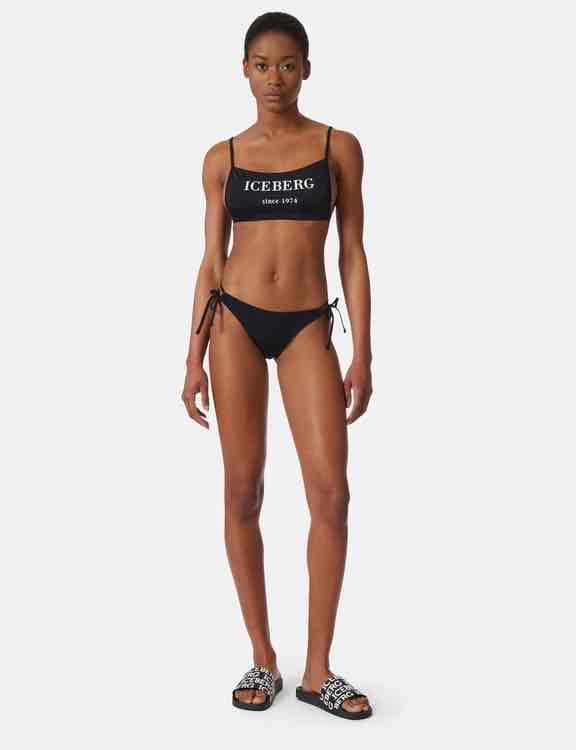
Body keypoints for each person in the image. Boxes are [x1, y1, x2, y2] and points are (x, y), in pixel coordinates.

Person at [182, 12, 374, 720]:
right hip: (233, 321)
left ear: (307, 69)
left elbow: (352, 252)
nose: (275, 78)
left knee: (332, 495)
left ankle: (318, 669)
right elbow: (210, 261)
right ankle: (262, 658)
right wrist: (192, 356)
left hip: (306, 326)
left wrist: (363, 349)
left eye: (287, 64)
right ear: (244, 70)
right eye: (262, 65)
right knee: (242, 491)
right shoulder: (222, 157)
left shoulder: (336, 147)